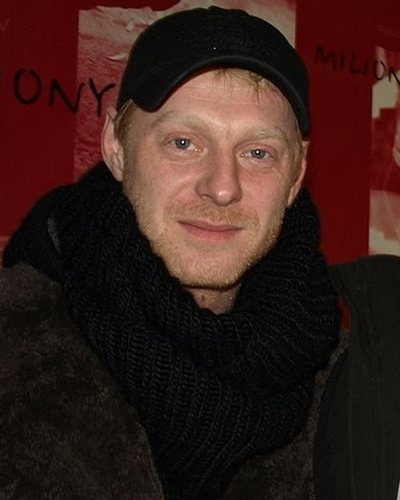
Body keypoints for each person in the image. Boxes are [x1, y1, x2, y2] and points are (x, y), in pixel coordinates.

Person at [0, 6, 343, 500]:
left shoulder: (355, 390)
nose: (222, 188)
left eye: (258, 153)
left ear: (296, 176)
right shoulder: (14, 346)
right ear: (116, 147)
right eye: (183, 143)